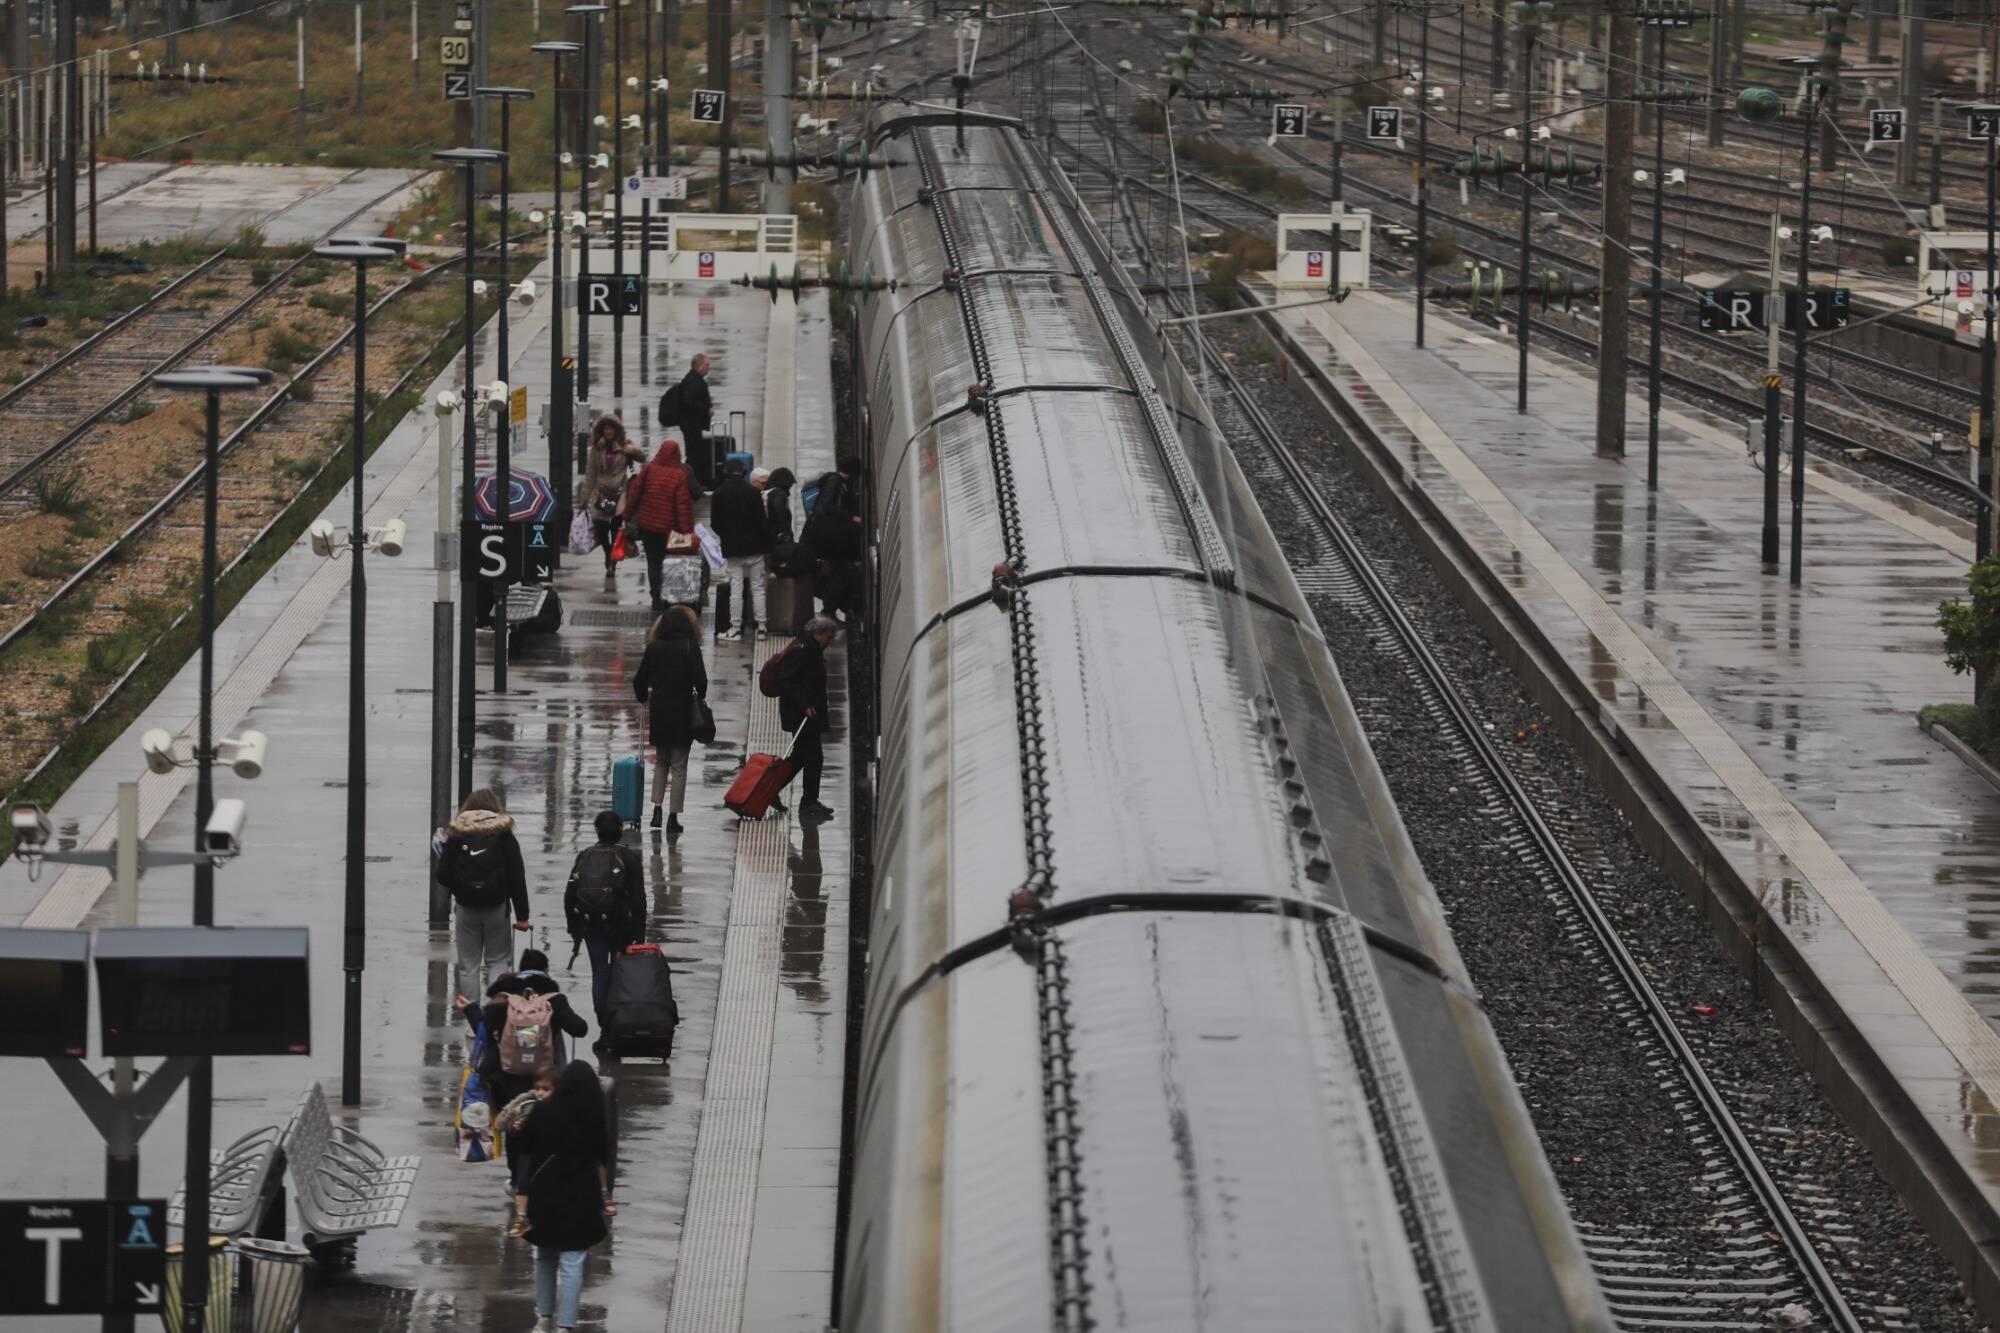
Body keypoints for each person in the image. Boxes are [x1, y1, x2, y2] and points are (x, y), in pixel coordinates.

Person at [454, 948, 589, 1216]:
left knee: (517, 1131)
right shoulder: (554, 999)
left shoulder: (505, 998)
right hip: (546, 1079)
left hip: (508, 1078)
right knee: (545, 1129)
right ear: (546, 971)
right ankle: (541, 1179)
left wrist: (469, 1008)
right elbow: (580, 1029)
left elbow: (483, 1030)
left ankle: (518, 1181)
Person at [512, 1060, 615, 1332]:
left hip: (544, 1195)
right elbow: (602, 1157)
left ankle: (543, 1318)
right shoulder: (593, 1120)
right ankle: (566, 1326)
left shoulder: (543, 1111)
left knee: (544, 1256)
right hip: (579, 1199)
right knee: (572, 1262)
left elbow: (524, 1147)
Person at [436, 788, 531, 998]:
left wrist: (459, 887)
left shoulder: (458, 834)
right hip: (497, 907)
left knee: (468, 966)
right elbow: (517, 876)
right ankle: (495, 1015)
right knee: (497, 960)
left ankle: (473, 1023)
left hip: (466, 907)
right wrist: (522, 916)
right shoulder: (504, 835)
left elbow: (442, 875)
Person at [563, 811, 647, 1025]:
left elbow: (570, 895)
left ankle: (603, 1023)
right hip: (621, 925)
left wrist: (573, 927)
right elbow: (639, 899)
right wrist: (640, 933)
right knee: (620, 972)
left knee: (599, 973)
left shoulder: (584, 856)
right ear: (620, 831)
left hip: (592, 925)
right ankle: (619, 1021)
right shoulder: (629, 858)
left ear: (597, 831)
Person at [633, 604, 708, 836]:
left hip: (660, 709)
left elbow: (639, 680)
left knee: (661, 762)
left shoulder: (653, 647)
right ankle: (673, 817)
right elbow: (701, 682)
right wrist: (699, 695)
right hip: (683, 710)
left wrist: (643, 696)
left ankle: (657, 808)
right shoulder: (690, 646)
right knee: (678, 767)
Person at [773, 614, 839, 823]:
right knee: (813, 757)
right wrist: (805, 706)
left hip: (806, 712)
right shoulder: (803, 651)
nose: (830, 642)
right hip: (801, 714)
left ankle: (771, 790)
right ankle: (808, 802)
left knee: (801, 756)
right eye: (828, 637)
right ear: (818, 634)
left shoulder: (809, 648)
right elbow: (787, 681)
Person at [619, 436, 696, 611]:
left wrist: (627, 515)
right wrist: (686, 532)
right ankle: (668, 596)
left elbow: (634, 494)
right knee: (670, 562)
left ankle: (655, 595)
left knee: (653, 562)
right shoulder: (679, 475)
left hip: (648, 527)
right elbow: (682, 505)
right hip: (670, 529)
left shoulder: (649, 469)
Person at [709, 457, 770, 641]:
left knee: (736, 588)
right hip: (755, 548)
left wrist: (727, 536)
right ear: (743, 473)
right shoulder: (753, 493)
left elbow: (715, 524)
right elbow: (762, 522)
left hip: (733, 548)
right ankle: (761, 628)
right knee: (758, 588)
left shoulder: (718, 494)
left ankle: (735, 628)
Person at [580, 416, 646, 577]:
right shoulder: (597, 448)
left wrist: (633, 451)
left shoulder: (624, 445)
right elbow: (591, 473)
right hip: (600, 493)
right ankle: (608, 552)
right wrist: (585, 497)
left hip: (619, 493)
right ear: (601, 430)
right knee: (600, 529)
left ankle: (612, 564)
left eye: (611, 428)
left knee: (616, 530)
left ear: (617, 430)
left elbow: (642, 458)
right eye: (605, 428)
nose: (608, 431)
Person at [805, 455, 865, 617]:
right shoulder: (835, 481)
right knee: (839, 574)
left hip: (830, 537)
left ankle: (830, 610)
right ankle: (828, 612)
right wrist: (852, 518)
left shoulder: (838, 482)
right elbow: (828, 505)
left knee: (838, 574)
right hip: (829, 538)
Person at [658, 353, 715, 486]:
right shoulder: (693, 381)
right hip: (691, 424)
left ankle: (694, 481)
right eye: (707, 365)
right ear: (699, 366)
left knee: (695, 452)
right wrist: (706, 410)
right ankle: (691, 482)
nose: (708, 368)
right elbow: (689, 401)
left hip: (692, 424)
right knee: (694, 454)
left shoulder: (695, 379)